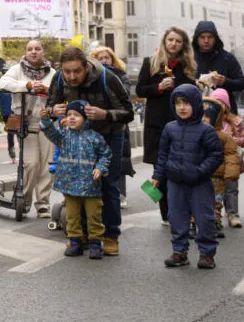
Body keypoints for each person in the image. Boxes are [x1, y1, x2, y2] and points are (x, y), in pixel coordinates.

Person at [47, 47, 134, 256]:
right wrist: (53, 111)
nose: (71, 77)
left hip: (108, 135)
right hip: (78, 138)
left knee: (108, 184)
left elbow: (128, 112)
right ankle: (83, 234)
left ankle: (111, 236)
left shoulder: (107, 78)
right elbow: (49, 107)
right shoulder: (59, 79)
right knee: (79, 185)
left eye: (76, 71)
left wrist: (105, 114)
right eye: (67, 72)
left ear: (86, 66)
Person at [151, 85, 223, 269]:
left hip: (199, 182)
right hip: (175, 181)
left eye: (186, 103)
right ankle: (179, 252)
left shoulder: (206, 130)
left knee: (205, 217)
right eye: (177, 103)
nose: (182, 107)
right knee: (176, 217)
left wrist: (200, 171)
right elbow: (163, 154)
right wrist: (157, 176)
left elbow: (215, 155)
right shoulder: (169, 128)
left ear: (197, 104)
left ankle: (207, 254)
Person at [136, 27, 199, 223]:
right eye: (170, 40)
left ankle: (178, 211)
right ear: (164, 42)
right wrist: (158, 87)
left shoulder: (187, 66)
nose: (173, 44)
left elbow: (191, 93)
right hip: (156, 125)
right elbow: (140, 89)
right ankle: (166, 213)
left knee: (178, 170)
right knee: (159, 172)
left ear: (183, 45)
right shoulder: (151, 62)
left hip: (179, 125)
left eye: (178, 41)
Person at [40, 100, 112, 259]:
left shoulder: (94, 137)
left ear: (86, 118)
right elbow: (50, 132)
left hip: (90, 186)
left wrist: (100, 167)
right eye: (69, 115)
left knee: (94, 216)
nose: (71, 118)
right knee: (72, 217)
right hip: (69, 184)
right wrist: (46, 119)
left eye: (77, 115)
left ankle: (95, 243)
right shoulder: (63, 137)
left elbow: (106, 154)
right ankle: (75, 242)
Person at [0, 40, 56, 215]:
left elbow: (60, 90)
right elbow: (2, 84)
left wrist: (45, 89)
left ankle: (43, 203)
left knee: (47, 165)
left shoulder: (52, 72)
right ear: (25, 52)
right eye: (30, 49)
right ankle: (24, 200)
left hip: (46, 122)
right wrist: (27, 85)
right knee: (31, 164)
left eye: (37, 49)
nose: (34, 52)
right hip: (25, 121)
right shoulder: (17, 69)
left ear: (42, 51)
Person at [91, 46, 134, 207]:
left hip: (117, 123)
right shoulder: (91, 77)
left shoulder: (121, 76)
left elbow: (125, 98)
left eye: (107, 58)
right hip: (97, 125)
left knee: (119, 160)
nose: (104, 61)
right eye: (100, 58)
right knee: (99, 159)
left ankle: (119, 193)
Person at [201, 90, 239, 239]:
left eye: (207, 117)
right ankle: (194, 223)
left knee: (216, 200)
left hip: (218, 175)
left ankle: (215, 222)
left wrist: (231, 173)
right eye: (202, 116)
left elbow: (231, 155)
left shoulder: (223, 136)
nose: (204, 119)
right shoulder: (196, 132)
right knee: (199, 200)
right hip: (200, 174)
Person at [210, 87, 244, 229]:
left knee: (232, 187)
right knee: (216, 189)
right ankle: (215, 216)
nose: (217, 106)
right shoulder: (209, 121)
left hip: (232, 159)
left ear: (226, 105)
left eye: (220, 103)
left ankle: (233, 214)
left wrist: (232, 140)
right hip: (215, 161)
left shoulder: (235, 121)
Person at [191, 21, 244, 113]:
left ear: (215, 38)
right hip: (196, 111)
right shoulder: (189, 58)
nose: (206, 41)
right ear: (196, 39)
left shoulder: (227, 58)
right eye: (202, 37)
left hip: (223, 113)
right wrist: (193, 83)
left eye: (210, 37)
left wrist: (224, 81)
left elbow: (242, 83)